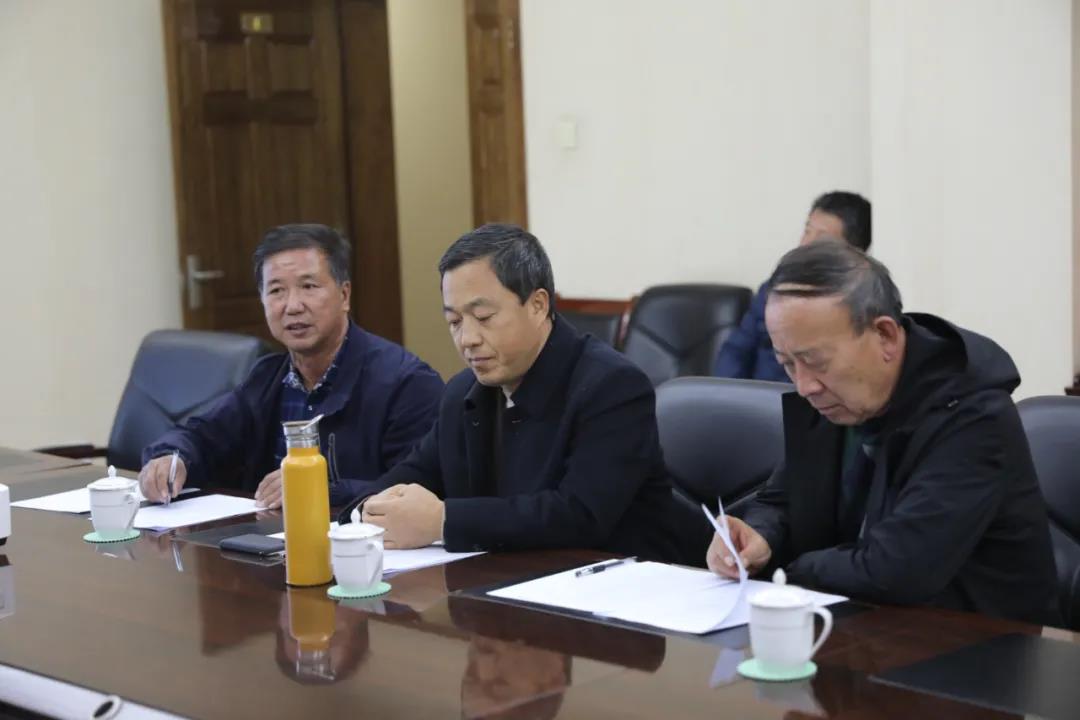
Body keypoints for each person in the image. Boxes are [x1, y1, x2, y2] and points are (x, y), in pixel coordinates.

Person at [706, 241, 1059, 625]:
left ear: (885, 336)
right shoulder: (835, 396)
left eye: (814, 361)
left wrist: (787, 573)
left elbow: (897, 570)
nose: (804, 386)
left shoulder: (973, 417)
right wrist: (759, 536)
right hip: (854, 626)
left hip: (980, 642)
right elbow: (783, 499)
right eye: (787, 364)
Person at [339, 223, 693, 563]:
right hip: (500, 583)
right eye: (454, 322)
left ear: (538, 305)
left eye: (483, 317)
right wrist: (368, 511)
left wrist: (442, 521)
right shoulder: (464, 391)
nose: (467, 339)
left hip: (618, 586)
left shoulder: (612, 386)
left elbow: (580, 515)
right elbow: (413, 472)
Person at [139, 224, 444, 508]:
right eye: (276, 291)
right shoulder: (268, 377)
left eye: (308, 286)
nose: (293, 306)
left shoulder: (407, 383)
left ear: (344, 295)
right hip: (268, 539)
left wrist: (316, 488)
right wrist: (172, 458)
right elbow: (203, 435)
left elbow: (418, 489)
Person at [714, 191, 871, 382]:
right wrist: (729, 394)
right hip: (756, 395)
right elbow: (736, 349)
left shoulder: (858, 304)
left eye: (822, 238)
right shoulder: (774, 288)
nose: (806, 243)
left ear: (853, 251)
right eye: (807, 231)